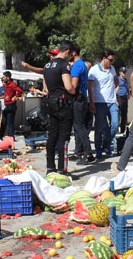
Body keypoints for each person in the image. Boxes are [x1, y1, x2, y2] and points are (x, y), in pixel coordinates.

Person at [43, 41, 76, 174]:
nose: (71, 58)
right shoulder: (63, 65)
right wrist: (74, 90)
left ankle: (50, 167)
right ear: (67, 51)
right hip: (63, 104)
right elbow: (68, 86)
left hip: (51, 102)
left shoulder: (47, 65)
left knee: (52, 136)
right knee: (63, 137)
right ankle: (62, 169)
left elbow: (46, 88)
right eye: (71, 55)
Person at [88, 49, 119, 158]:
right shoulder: (94, 70)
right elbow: (90, 88)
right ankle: (98, 149)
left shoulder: (112, 69)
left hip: (111, 102)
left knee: (115, 124)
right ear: (104, 58)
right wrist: (91, 103)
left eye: (113, 60)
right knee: (100, 127)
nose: (112, 62)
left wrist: (117, 88)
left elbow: (116, 80)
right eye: (110, 60)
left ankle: (106, 145)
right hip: (99, 102)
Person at [70, 44, 95, 165]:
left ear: (73, 53)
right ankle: (80, 152)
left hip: (78, 99)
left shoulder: (76, 66)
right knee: (79, 127)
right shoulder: (82, 65)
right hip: (83, 99)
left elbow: (73, 86)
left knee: (80, 127)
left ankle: (88, 153)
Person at [0, 71, 23, 139]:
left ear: (8, 77)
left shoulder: (12, 84)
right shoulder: (6, 84)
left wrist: (15, 97)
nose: (3, 78)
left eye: (4, 77)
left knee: (10, 122)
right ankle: (1, 136)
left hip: (11, 105)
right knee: (4, 121)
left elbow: (20, 91)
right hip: (7, 105)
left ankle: (11, 137)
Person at [116, 67, 130, 134]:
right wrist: (116, 100)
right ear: (120, 72)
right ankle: (116, 130)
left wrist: (128, 94)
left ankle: (122, 130)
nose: (124, 73)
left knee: (124, 115)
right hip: (119, 97)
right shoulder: (118, 80)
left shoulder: (126, 80)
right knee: (118, 114)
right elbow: (115, 89)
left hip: (124, 98)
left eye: (125, 72)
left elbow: (127, 87)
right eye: (123, 72)